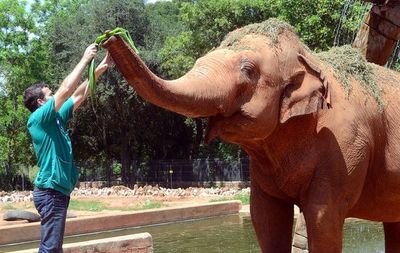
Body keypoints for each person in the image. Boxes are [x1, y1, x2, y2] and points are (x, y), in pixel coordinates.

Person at [23, 44, 113, 253]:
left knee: (54, 248)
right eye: (49, 94)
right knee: (51, 248)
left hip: (58, 191)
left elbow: (78, 95)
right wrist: (84, 60)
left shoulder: (55, 119)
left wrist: (102, 66)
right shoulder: (38, 119)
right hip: (50, 192)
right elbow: (65, 90)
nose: (54, 95)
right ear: (40, 102)